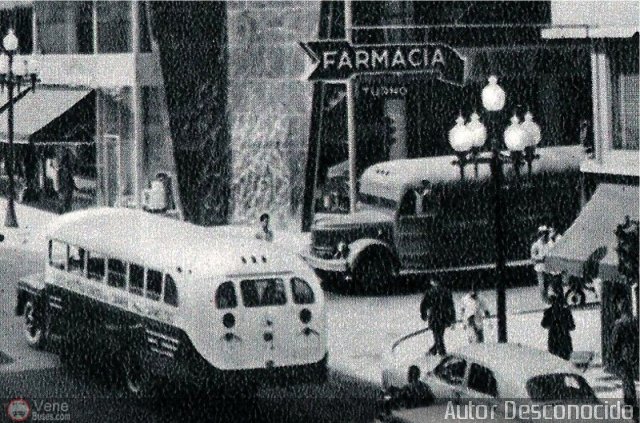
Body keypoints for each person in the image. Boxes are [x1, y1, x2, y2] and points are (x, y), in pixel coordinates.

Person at [611, 299, 639, 417]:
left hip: (623, 354)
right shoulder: (634, 321)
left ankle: (630, 401)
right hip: (634, 352)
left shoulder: (619, 323)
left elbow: (614, 342)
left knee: (626, 379)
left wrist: (614, 354)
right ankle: (630, 400)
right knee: (630, 377)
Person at [420, 279, 456, 356]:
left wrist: (424, 314)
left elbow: (423, 305)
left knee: (438, 336)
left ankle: (441, 353)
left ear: (433, 282)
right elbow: (451, 306)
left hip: (434, 317)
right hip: (444, 317)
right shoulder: (446, 291)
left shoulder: (429, 292)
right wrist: (452, 318)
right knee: (440, 335)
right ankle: (433, 350)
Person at [541, 292, 575, 360]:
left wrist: (552, 324)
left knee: (555, 360)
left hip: (553, 339)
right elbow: (572, 326)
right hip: (564, 339)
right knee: (565, 359)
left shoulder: (548, 312)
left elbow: (543, 324)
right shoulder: (566, 312)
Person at [531, 225, 552, 303]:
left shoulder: (550, 244)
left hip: (548, 267)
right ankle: (545, 299)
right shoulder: (535, 245)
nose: (544, 235)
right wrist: (541, 258)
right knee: (542, 285)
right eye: (543, 233)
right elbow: (533, 257)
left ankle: (547, 299)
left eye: (546, 233)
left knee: (547, 284)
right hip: (540, 267)